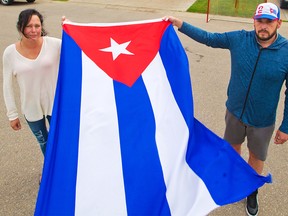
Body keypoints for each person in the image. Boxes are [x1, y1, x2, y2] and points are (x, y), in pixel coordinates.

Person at [166, 2, 288, 216]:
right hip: (234, 113)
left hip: (262, 121)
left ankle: (251, 190)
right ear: (254, 21)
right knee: (232, 149)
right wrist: (181, 24)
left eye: (269, 22)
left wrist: (286, 126)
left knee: (256, 157)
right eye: (260, 21)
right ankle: (232, 181)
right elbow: (210, 39)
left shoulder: (286, 52)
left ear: (278, 23)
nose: (264, 26)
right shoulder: (239, 39)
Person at [2, 9, 61, 159]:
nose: (34, 30)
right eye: (29, 26)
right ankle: (49, 173)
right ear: (20, 27)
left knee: (60, 141)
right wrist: (12, 114)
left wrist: (69, 28)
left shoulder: (55, 45)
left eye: (37, 25)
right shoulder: (10, 53)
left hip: (55, 105)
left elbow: (78, 48)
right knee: (44, 142)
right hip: (30, 108)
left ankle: (60, 174)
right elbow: (7, 86)